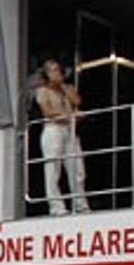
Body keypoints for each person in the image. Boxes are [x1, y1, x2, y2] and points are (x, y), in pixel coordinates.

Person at [34, 58, 90, 216]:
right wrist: (67, 115)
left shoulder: (67, 88)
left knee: (78, 169)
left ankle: (80, 204)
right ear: (46, 74)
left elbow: (78, 101)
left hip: (69, 130)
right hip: (54, 130)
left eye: (58, 69)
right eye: (53, 70)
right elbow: (47, 112)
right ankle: (56, 206)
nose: (57, 73)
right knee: (53, 169)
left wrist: (65, 89)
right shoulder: (42, 90)